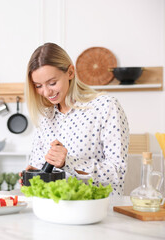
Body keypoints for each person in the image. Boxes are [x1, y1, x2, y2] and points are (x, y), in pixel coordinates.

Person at [22, 43, 129, 195]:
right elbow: (39, 164)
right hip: (56, 209)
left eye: (52, 83)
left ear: (70, 72)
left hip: (99, 210)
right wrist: (35, 173)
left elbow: (117, 172)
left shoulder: (105, 107)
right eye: (38, 85)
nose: (46, 92)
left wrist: (69, 162)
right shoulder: (45, 117)